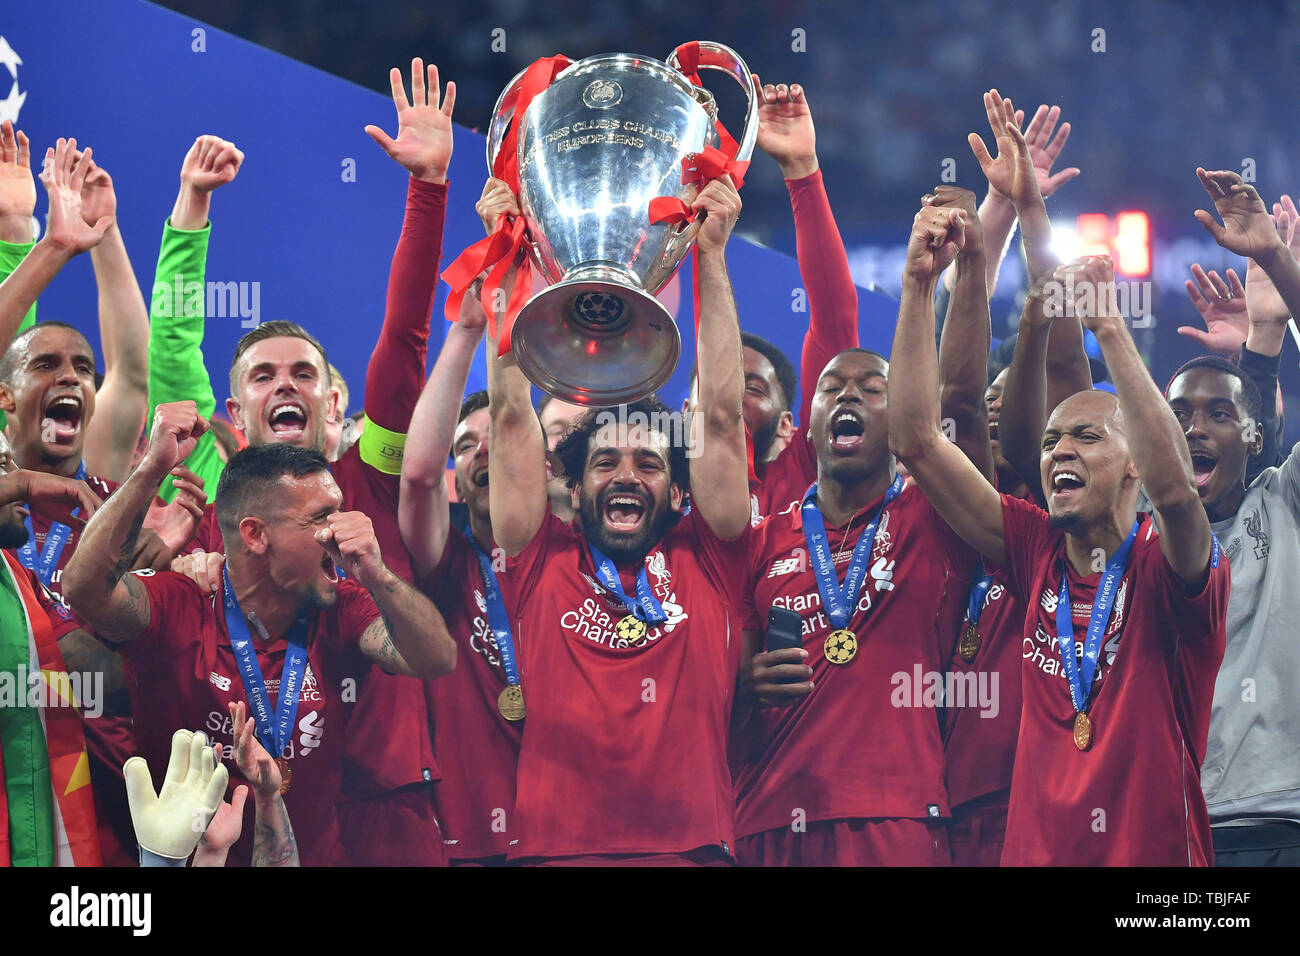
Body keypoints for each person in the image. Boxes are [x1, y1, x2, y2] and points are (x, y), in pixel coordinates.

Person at [152, 59, 458, 864]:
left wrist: (429, 191)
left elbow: (404, 343)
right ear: (234, 413)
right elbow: (174, 345)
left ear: (335, 404)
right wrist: (192, 211)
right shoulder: (209, 497)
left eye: (304, 375)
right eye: (263, 375)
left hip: (386, 810)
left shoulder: (372, 477)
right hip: (230, 816)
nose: (284, 383)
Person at [891, 149, 1229, 872]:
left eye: (1083, 437)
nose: (1057, 453)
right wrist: (918, 287)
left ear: (1133, 456)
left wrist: (1110, 329)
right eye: (1049, 442)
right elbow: (920, 441)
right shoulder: (1032, 549)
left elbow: (1174, 493)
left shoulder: (1173, 569)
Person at [61, 402, 457, 866]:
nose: (340, 532)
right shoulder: (179, 603)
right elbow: (82, 589)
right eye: (320, 518)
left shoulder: (341, 605)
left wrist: (379, 575)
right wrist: (153, 468)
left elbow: (436, 659)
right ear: (255, 535)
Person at [486, 169, 751, 864]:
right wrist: (507, 256)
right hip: (554, 851)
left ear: (677, 492)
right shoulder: (537, 557)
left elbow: (721, 418)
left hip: (691, 851)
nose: (626, 476)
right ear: (571, 483)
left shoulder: (711, 558)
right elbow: (512, 414)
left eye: (649, 464)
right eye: (605, 462)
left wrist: (714, 256)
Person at [732, 184, 992, 866]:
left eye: (873, 390)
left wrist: (942, 277)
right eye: (831, 388)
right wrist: (745, 681)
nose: (847, 394)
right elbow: (721, 676)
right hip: (765, 816)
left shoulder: (933, 517)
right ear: (804, 427)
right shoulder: (760, 535)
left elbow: (958, 399)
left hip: (897, 817)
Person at [1163, 170, 1300, 865]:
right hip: (1159, 826)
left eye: (1219, 416)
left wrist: (1278, 264)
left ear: (1251, 438)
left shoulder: (1286, 503)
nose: (1194, 430)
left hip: (1275, 825)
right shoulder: (1130, 532)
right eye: (1178, 415)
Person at [0, 430, 103, 866]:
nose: (20, 475)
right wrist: (22, 485)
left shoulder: (18, 580)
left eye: (12, 465)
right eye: (3, 465)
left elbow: (93, 680)